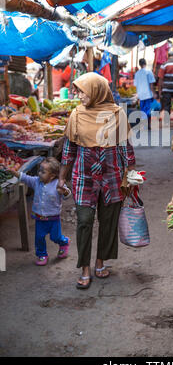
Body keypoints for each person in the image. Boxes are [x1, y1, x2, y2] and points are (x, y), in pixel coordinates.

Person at [57, 72, 136, 290]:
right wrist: (62, 177)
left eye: (82, 90)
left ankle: (100, 262)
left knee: (108, 220)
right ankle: (84, 267)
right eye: (78, 90)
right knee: (84, 222)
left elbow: (126, 148)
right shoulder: (76, 115)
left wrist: (131, 175)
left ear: (96, 91)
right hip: (84, 177)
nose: (78, 94)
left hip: (112, 177)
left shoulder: (117, 114)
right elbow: (68, 150)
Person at [9, 158, 71, 266]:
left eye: (43, 171)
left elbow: (68, 195)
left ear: (52, 175)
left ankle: (64, 242)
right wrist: (14, 172)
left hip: (53, 219)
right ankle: (42, 255)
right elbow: (25, 178)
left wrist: (64, 191)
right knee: (39, 238)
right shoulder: (36, 181)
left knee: (55, 237)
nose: (39, 173)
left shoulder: (58, 184)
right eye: (39, 170)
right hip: (39, 219)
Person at [158, 50, 173, 118]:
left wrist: (160, 91)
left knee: (167, 106)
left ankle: (166, 122)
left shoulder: (164, 64)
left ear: (168, 56)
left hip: (166, 89)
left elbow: (160, 79)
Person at [134, 58, 156, 127]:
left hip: (141, 95)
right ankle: (148, 124)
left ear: (139, 64)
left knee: (143, 110)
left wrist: (137, 95)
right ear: (145, 63)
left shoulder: (137, 73)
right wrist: (154, 93)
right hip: (148, 94)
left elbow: (136, 85)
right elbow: (151, 84)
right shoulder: (149, 72)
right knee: (148, 110)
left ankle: (145, 124)